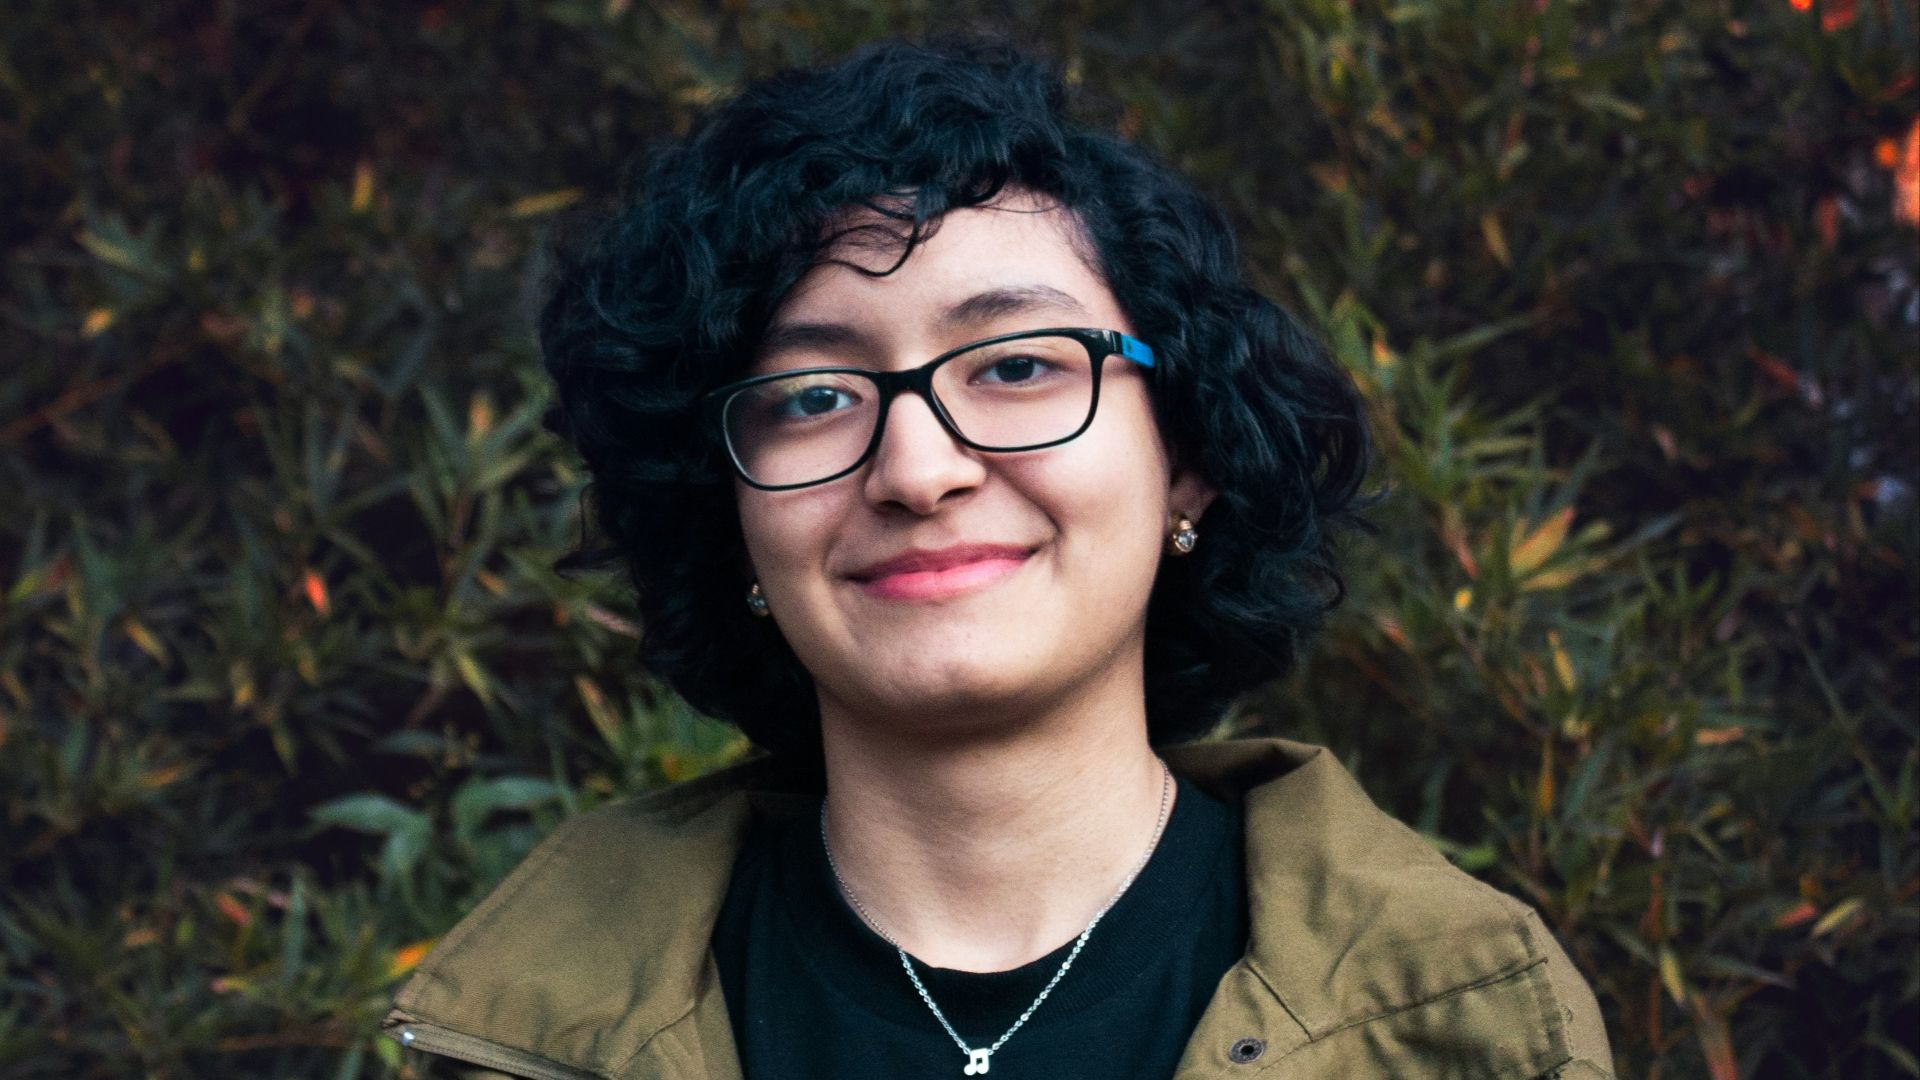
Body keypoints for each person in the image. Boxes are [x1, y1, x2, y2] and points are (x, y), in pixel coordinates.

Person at [383, 35, 1614, 1080]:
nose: (918, 470)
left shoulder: (1468, 1021)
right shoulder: (517, 1028)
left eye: (1018, 366)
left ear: (1186, 456)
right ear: (733, 514)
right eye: (814, 395)